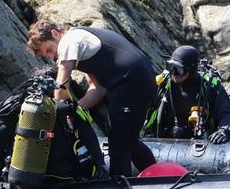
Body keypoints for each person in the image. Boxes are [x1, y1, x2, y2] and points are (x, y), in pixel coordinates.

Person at [26, 19, 156, 177]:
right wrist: (77, 109)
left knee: (118, 144)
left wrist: (55, 113)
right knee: (129, 140)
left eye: (49, 50)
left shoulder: (69, 40)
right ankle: (158, 178)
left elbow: (60, 86)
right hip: (140, 78)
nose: (51, 57)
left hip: (131, 81)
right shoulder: (83, 45)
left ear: (55, 33)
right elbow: (98, 89)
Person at [143, 45, 230, 144]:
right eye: (171, 67)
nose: (174, 73)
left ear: (191, 69)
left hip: (199, 147)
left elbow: (226, 113)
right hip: (163, 144)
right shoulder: (163, 85)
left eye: (179, 69)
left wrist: (224, 130)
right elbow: (140, 106)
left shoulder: (210, 86)